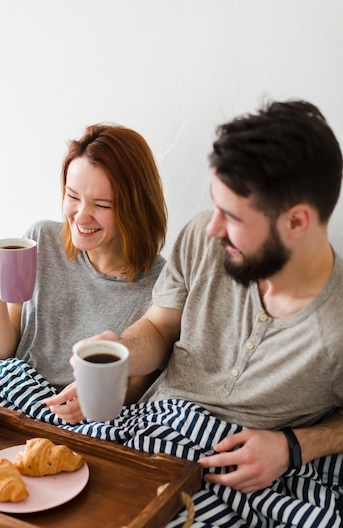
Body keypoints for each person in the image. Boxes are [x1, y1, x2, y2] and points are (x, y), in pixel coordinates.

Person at [48, 100, 343, 494]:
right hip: (146, 432)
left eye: (233, 217)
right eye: (215, 205)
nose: (213, 228)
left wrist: (293, 446)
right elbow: (159, 326)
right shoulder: (202, 237)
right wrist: (120, 352)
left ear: (296, 221)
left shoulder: (335, 324)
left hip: (235, 478)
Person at [0, 123, 167, 402]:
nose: (81, 216)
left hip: (75, 411)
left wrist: (93, 398)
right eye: (72, 196)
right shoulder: (39, 239)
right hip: (10, 386)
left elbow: (136, 390)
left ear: (136, 208)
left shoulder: (160, 283)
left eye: (102, 205)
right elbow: (2, 352)